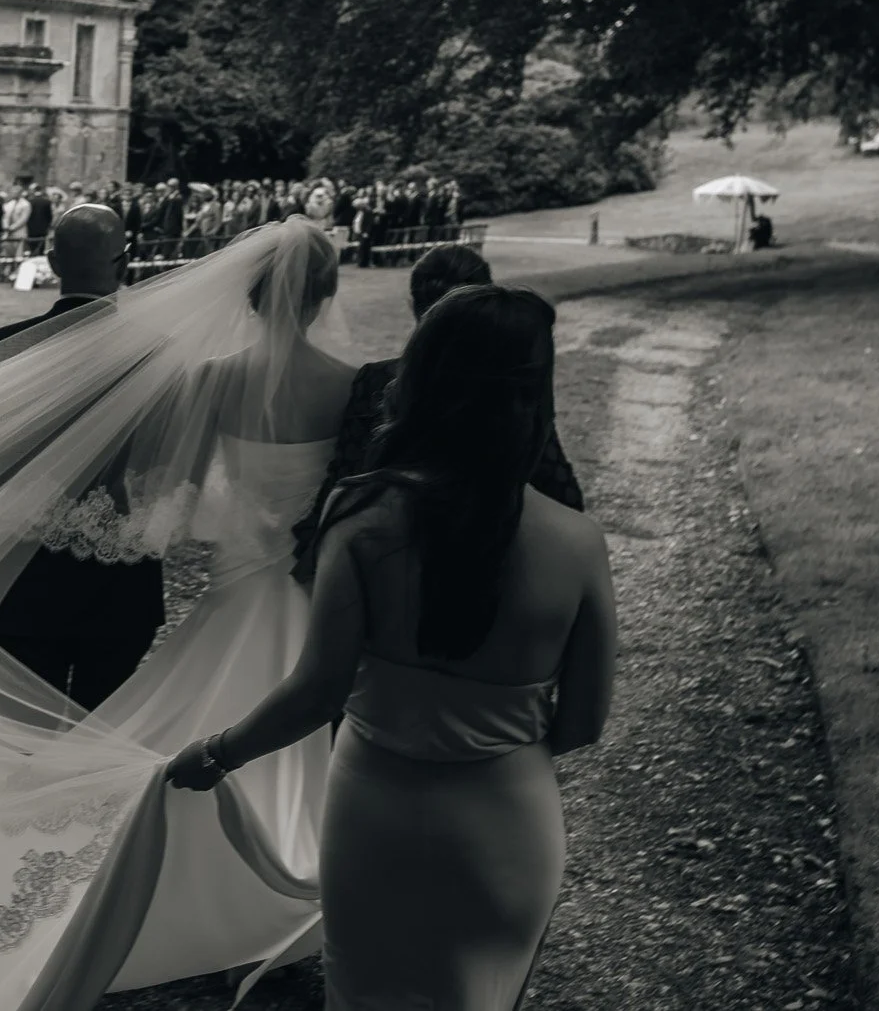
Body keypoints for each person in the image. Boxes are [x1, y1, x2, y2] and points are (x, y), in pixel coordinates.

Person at [0, 219, 362, 1005]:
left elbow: (14, 459)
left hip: (64, 580)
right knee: (124, 723)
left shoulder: (47, 348)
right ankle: (271, 872)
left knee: (70, 746)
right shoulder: (231, 367)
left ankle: (67, 846)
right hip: (211, 583)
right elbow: (185, 479)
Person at [166, 283, 618, 1010]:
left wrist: (219, 752)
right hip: (508, 822)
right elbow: (584, 722)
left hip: (376, 807)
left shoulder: (364, 513)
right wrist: (490, 741)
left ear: (423, 378)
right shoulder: (577, 541)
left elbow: (316, 691)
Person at [294, 243, 586, 583]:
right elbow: (564, 496)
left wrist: (316, 539)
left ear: (413, 305)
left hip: (388, 566)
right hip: (484, 568)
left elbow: (347, 471)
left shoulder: (377, 380)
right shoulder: (506, 388)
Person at [0, 206, 156, 709]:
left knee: (19, 725)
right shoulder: (158, 351)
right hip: (121, 574)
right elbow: (163, 461)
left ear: (50, 260)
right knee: (102, 725)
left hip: (22, 570)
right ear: (126, 261)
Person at [25, 185, 54, 257]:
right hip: (43, 229)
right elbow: (49, 216)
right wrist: (47, 225)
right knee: (41, 248)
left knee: (32, 248)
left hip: (31, 228)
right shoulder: (47, 202)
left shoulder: (29, 202)